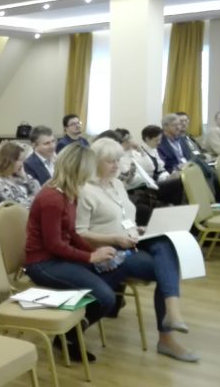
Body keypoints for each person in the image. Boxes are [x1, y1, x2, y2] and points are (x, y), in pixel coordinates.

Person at [75, 138, 197, 362]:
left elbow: (125, 217)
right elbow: (79, 233)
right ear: (95, 162)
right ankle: (168, 331)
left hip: (132, 239)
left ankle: (171, 317)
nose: (116, 165)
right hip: (110, 249)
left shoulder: (117, 184)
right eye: (110, 161)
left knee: (166, 243)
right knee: (166, 267)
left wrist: (138, 228)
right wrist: (115, 238)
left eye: (118, 160)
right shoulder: (84, 191)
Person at [25, 144, 106, 362]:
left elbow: (70, 233)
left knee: (110, 278)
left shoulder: (70, 193)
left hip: (57, 258)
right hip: (42, 263)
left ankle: (71, 331)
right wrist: (90, 257)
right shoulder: (52, 198)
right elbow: (53, 245)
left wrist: (94, 251)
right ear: (79, 170)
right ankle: (69, 337)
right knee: (104, 297)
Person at [0, 141, 41, 209]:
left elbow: (39, 193)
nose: (22, 164)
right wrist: (33, 199)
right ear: (9, 161)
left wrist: (25, 177)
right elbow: (15, 204)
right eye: (19, 160)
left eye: (23, 160)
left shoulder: (17, 175)